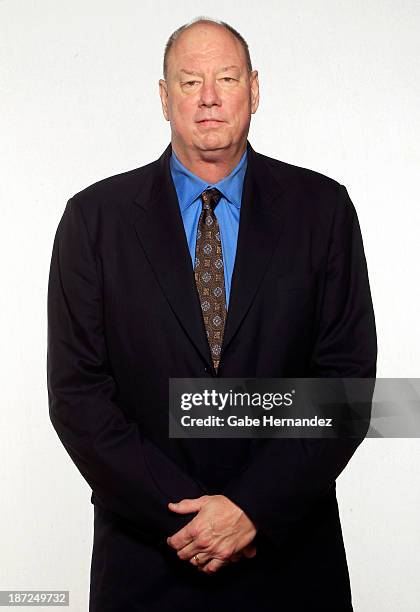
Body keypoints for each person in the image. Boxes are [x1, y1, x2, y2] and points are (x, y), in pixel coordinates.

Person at [47, 16, 377, 612]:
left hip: (290, 560)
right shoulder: (93, 220)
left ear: (254, 89)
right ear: (163, 96)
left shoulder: (322, 210)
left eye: (226, 77)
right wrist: (191, 518)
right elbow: (78, 397)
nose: (208, 97)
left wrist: (252, 507)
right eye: (189, 80)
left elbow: (346, 387)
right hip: (148, 561)